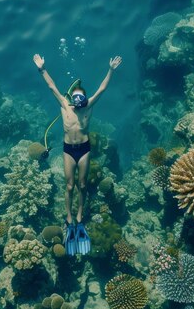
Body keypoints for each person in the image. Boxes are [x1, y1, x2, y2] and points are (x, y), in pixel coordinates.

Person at [33, 53, 122, 255]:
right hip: (68, 150)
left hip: (83, 149)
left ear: (84, 98)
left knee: (82, 185)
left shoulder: (88, 107)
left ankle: (80, 217)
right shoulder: (65, 106)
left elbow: (102, 89)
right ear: (72, 98)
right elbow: (51, 87)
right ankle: (69, 218)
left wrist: (111, 70)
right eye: (76, 98)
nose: (79, 101)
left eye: (82, 98)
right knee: (70, 185)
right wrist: (41, 68)